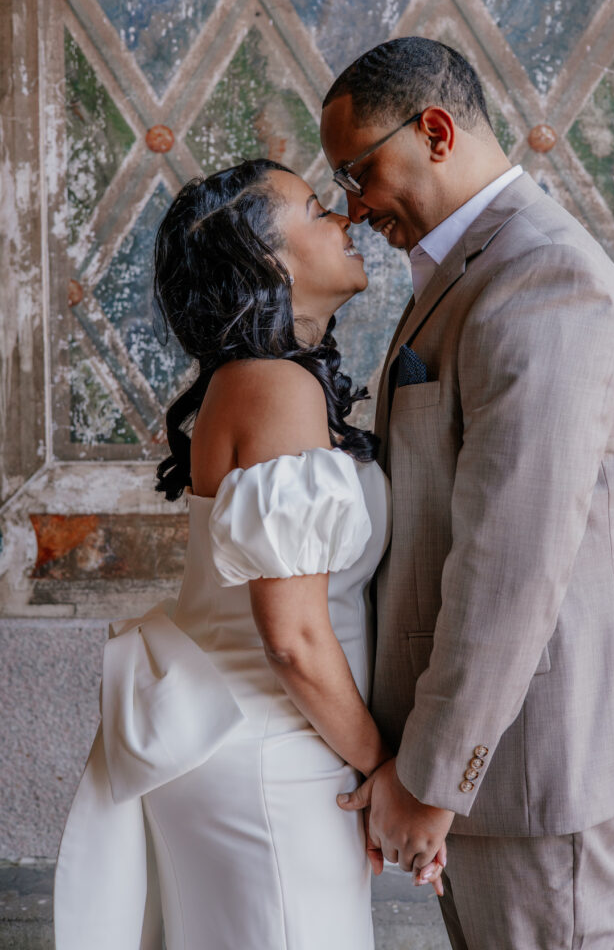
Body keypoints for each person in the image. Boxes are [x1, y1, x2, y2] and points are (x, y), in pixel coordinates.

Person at [320, 37, 614, 949]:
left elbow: (509, 564)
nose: (353, 210)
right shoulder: (473, 270)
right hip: (497, 756)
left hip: (528, 758)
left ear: (434, 131)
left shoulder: (544, 280)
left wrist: (433, 776)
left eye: (358, 173)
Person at [53, 158, 443, 950]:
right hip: (277, 754)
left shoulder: (259, 382)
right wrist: (382, 777)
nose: (345, 218)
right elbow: (292, 638)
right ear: (268, 259)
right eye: (313, 207)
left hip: (262, 742)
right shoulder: (274, 388)